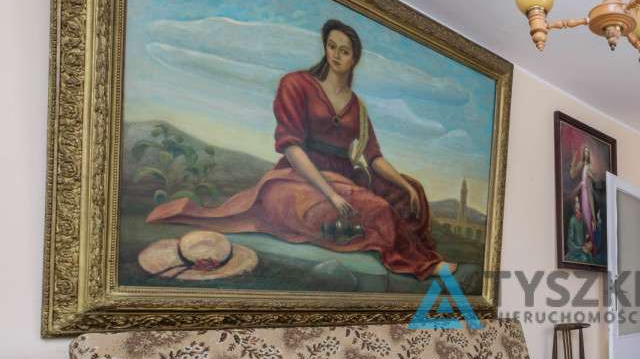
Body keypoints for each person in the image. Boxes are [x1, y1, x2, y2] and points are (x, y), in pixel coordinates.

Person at [147, 19, 449, 279]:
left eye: (345, 51)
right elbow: (291, 147)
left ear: (355, 59)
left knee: (412, 190)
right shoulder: (296, 84)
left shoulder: (358, 106)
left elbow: (374, 157)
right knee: (377, 209)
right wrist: (331, 194)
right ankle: (417, 264)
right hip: (299, 176)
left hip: (345, 174)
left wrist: (404, 186)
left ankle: (408, 242)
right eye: (332, 46)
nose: (336, 55)